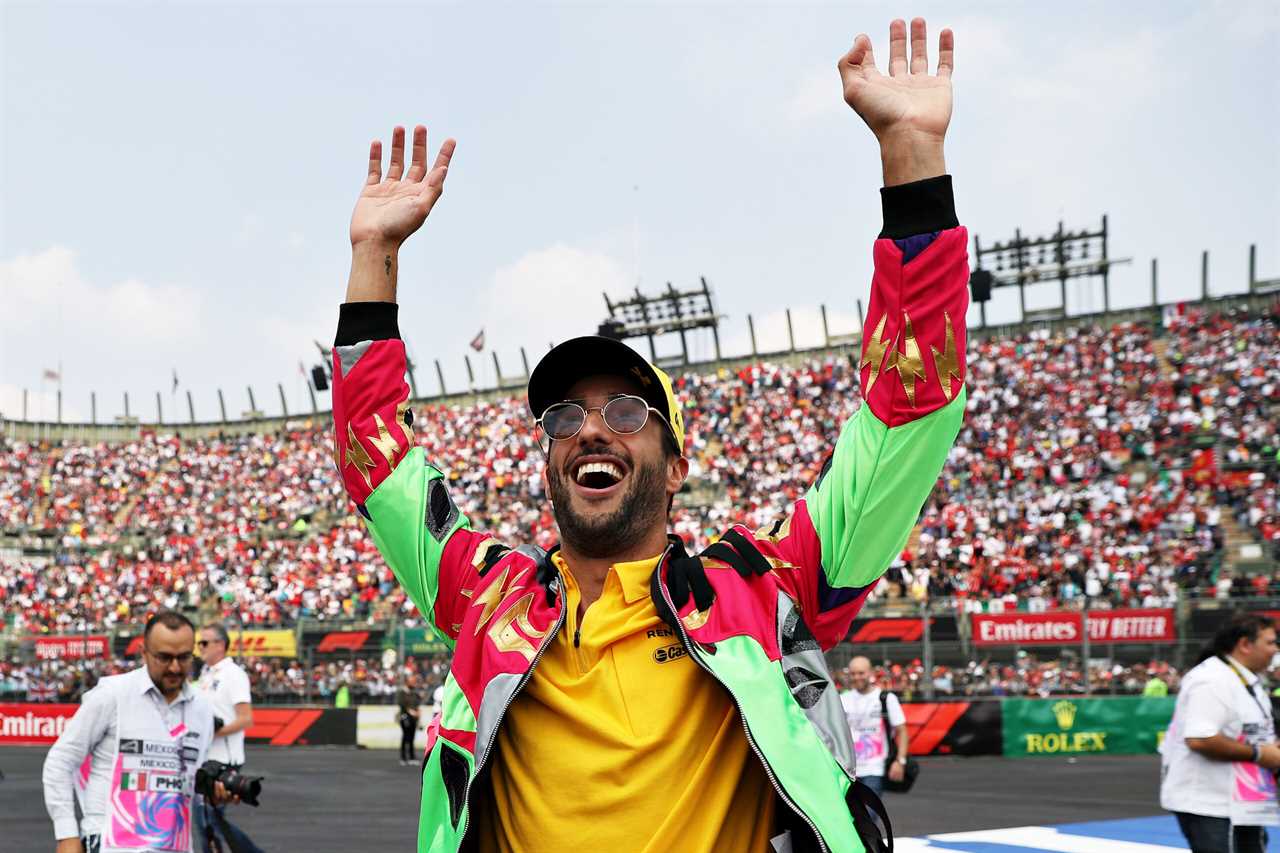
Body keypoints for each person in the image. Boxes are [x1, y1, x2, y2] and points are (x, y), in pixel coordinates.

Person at [331, 16, 967, 853]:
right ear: (549, 461)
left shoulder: (760, 589)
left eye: (627, 412)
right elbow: (377, 464)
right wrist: (374, 254)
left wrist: (912, 158)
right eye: (565, 417)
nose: (591, 429)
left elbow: (908, 415)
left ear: (674, 468)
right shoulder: (486, 600)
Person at [42, 611, 234, 853]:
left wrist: (213, 792)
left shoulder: (202, 708)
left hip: (175, 846)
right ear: (144, 653)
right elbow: (59, 762)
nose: (175, 667)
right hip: (110, 844)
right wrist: (67, 836)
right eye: (164, 658)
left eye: (184, 657)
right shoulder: (112, 694)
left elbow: (187, 783)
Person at [1161, 612, 1280, 853]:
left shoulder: (1249, 681)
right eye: (1269, 642)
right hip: (1211, 804)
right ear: (1244, 645)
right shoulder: (1212, 679)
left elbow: (1255, 732)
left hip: (1244, 802)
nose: (1275, 649)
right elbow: (1200, 739)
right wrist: (1259, 754)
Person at [192, 623, 263, 853]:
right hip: (205, 759)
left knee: (210, 820)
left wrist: (212, 733)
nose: (199, 647)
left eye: (204, 642)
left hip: (224, 759)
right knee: (207, 823)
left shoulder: (234, 675)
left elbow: (245, 719)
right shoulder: (205, 674)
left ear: (220, 645)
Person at [841, 657, 910, 796]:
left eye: (861, 673)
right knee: (850, 816)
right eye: (853, 674)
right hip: (847, 771)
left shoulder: (886, 698)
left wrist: (900, 761)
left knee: (868, 814)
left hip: (875, 769)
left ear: (870, 673)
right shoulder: (843, 699)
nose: (856, 677)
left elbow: (902, 731)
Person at [397, 683, 422, 766]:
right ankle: (403, 757)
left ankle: (411, 757)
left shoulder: (414, 694)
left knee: (411, 738)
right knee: (405, 737)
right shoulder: (402, 693)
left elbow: (417, 704)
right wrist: (411, 712)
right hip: (405, 717)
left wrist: (418, 714)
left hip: (413, 719)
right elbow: (402, 704)